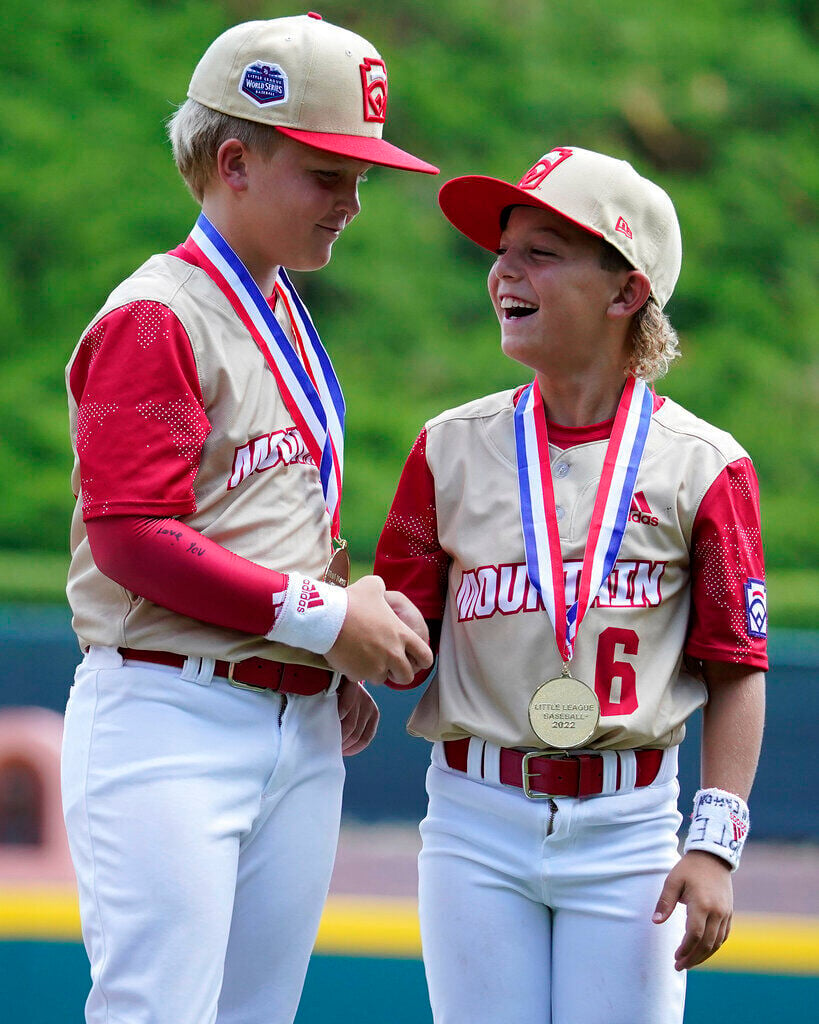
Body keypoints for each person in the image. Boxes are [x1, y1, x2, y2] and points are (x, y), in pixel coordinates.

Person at [61, 14, 436, 1024]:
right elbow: (131, 536)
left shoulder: (279, 305)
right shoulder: (159, 312)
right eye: (328, 175)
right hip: (169, 711)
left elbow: (271, 508)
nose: (354, 203)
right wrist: (325, 618)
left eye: (360, 177)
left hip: (293, 716)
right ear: (235, 158)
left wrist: (331, 648)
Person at [374, 145, 767, 1023]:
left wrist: (715, 844)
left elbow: (738, 666)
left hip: (629, 826)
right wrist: (342, 620)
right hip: (474, 816)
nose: (502, 272)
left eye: (540, 253)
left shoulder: (705, 466)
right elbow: (400, 644)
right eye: (501, 251)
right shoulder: (446, 448)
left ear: (626, 290)